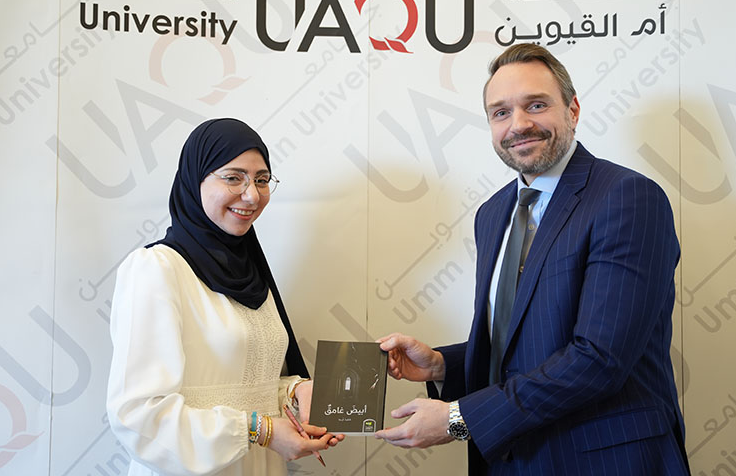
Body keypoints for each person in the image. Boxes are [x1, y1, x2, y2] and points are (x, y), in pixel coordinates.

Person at [375, 44, 690, 475]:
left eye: (536, 105)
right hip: (510, 460)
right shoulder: (492, 214)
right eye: (500, 112)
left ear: (573, 110)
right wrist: (443, 364)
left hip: (604, 461)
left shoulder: (627, 198)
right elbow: (526, 340)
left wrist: (458, 418)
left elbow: (600, 358)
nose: (518, 124)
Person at [107, 118, 342, 476]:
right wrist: (257, 430)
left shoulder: (252, 275)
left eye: (262, 180)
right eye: (233, 178)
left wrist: (294, 394)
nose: (252, 195)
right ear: (194, 180)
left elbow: (245, 382)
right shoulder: (157, 269)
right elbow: (137, 415)